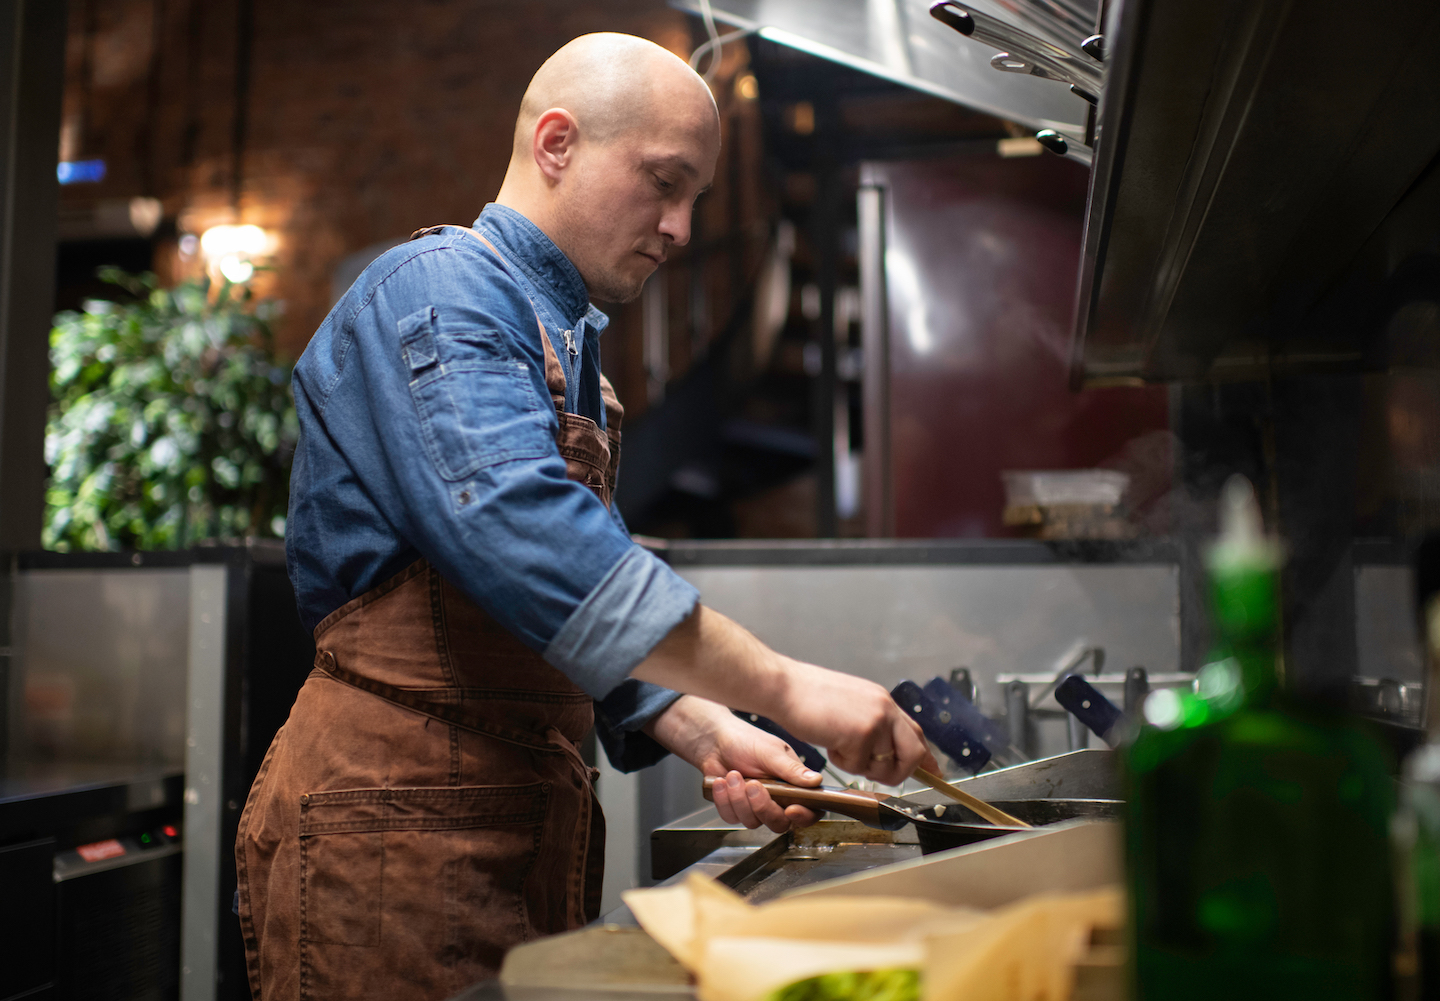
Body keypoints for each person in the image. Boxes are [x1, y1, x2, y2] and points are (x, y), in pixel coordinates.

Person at [236, 32, 933, 1001]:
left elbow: (538, 611)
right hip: (391, 822)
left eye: (696, 198)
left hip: (512, 817)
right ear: (556, 144)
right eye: (663, 183)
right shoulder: (440, 291)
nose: (680, 227)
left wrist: (699, 725)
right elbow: (523, 535)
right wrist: (786, 686)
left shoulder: (562, 342)